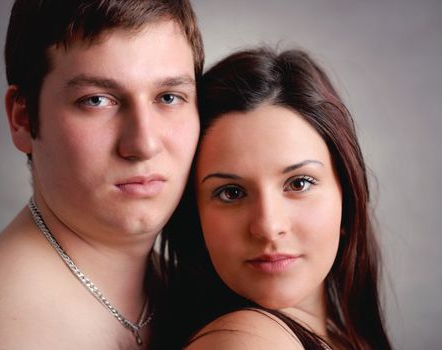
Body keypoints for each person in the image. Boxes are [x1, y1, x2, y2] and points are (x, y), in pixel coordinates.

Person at [0, 1, 203, 349]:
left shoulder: (191, 285)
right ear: (23, 118)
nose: (143, 144)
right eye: (96, 100)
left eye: (169, 97)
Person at [160, 47, 392, 349]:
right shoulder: (246, 342)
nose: (268, 227)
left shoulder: (339, 336)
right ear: (196, 217)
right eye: (231, 193)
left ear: (347, 199)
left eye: (298, 183)